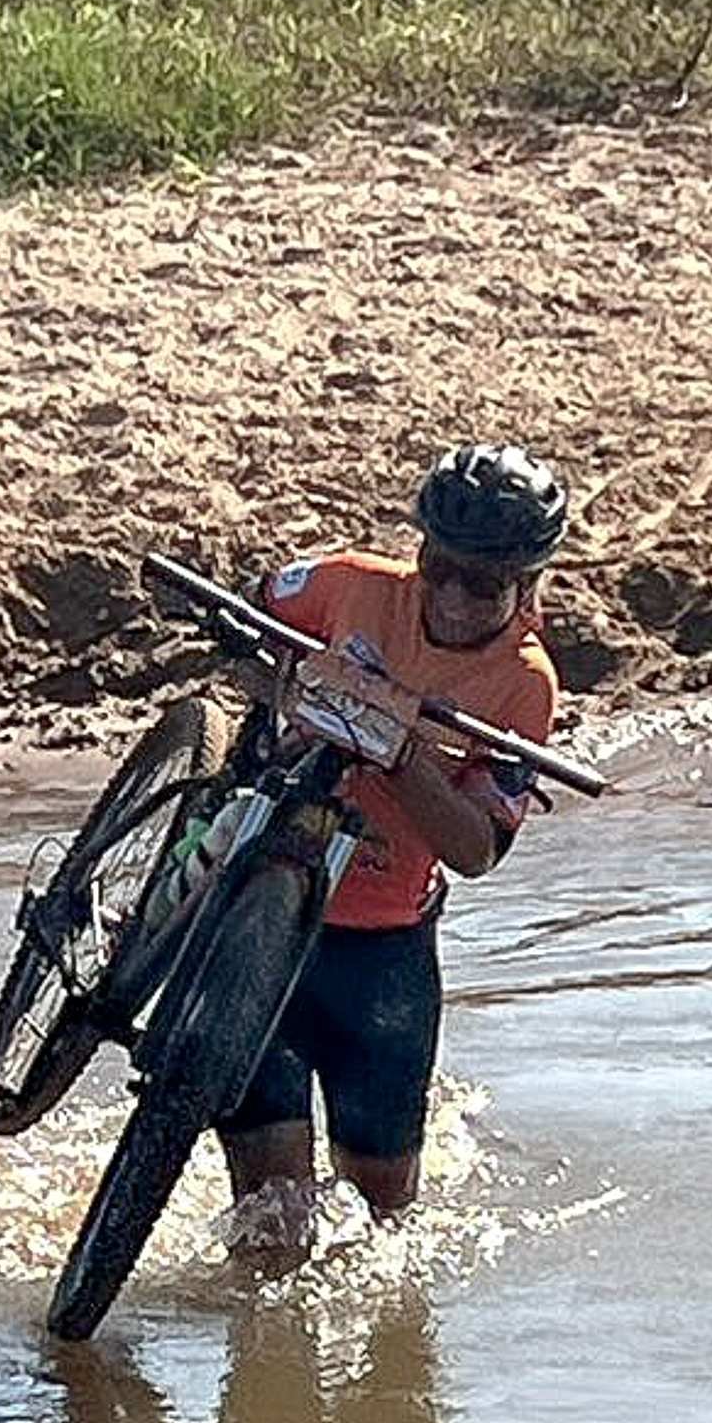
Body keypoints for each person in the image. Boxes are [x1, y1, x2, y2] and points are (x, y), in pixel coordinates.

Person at [217, 438, 567, 1222]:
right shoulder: (353, 586)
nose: (452, 599)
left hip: (380, 950)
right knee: (273, 1218)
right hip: (262, 906)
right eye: (438, 568)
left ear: (527, 585)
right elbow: (247, 614)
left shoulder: (523, 684)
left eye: (483, 585)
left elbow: (476, 849)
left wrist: (399, 750)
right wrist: (290, 687)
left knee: (382, 1220)